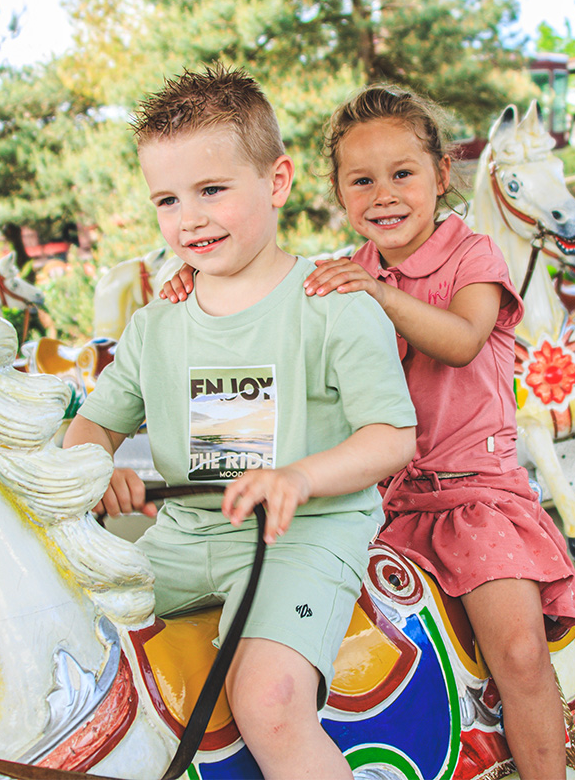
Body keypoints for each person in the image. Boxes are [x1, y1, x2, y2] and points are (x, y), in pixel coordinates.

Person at [161, 85, 575, 779]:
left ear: (442, 174)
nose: (383, 194)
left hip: (474, 497)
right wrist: (202, 283)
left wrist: (378, 292)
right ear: (336, 190)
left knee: (517, 652)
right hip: (380, 504)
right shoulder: (342, 274)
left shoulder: (470, 257)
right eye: (362, 180)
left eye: (402, 174)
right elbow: (266, 315)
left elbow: (462, 338)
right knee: (308, 628)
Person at [62, 66, 417, 780]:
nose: (189, 217)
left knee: (268, 697)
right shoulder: (155, 326)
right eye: (167, 199)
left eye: (212, 190)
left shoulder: (334, 308)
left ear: (277, 182)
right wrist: (94, 470)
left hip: (302, 537)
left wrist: (298, 476)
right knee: (59, 636)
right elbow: (94, 426)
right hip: (184, 538)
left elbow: (392, 437)